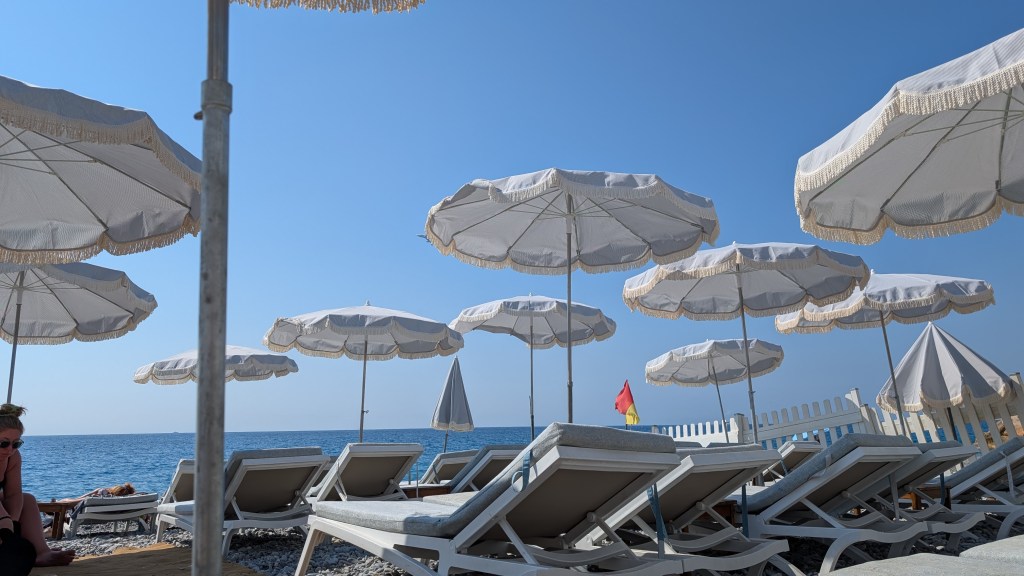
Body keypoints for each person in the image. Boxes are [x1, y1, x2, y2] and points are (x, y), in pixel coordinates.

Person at [0, 404, 75, 567]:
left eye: (16, 444)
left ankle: (41, 552)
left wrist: (12, 526)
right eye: (4, 443)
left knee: (27, 500)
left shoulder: (12, 457)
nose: (10, 449)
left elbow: (13, 493)